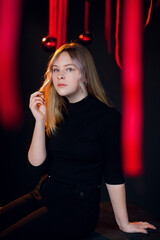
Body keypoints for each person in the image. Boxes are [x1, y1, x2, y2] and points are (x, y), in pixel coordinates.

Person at [0, 43, 156, 240]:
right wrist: (40, 121)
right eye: (55, 70)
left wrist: (123, 223)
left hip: (77, 208)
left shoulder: (107, 118)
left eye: (69, 69)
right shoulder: (55, 111)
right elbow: (36, 167)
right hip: (43, 195)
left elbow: (113, 174)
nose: (60, 76)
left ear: (84, 74)